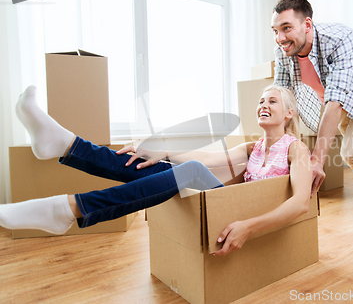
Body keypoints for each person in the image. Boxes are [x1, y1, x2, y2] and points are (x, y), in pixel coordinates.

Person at [0, 85, 312, 256]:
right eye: (260, 100)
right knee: (161, 166)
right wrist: (160, 151)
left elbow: (300, 203)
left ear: (288, 113)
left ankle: (71, 193)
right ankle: (67, 148)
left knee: (186, 169)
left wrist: (248, 227)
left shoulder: (296, 149)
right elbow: (207, 159)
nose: (263, 104)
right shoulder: (251, 147)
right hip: (226, 203)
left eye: (272, 100)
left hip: (240, 217)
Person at [271, 0, 353, 222]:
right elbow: (281, 95)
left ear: (307, 24)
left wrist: (317, 160)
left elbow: (336, 102)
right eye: (275, 30)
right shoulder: (283, 50)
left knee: (352, 151)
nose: (280, 38)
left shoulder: (341, 38)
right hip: (332, 101)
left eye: (286, 28)